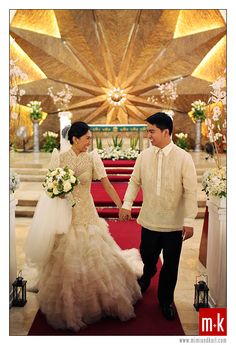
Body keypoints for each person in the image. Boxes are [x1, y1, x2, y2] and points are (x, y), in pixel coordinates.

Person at [24, 121, 142, 331]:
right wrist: (60, 191)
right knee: (65, 256)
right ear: (75, 138)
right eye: (87, 138)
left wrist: (122, 206)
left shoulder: (92, 159)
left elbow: (106, 184)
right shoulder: (59, 157)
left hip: (87, 213)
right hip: (66, 216)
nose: (89, 142)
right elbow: (50, 187)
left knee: (95, 253)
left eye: (90, 138)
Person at [119, 112, 198, 321]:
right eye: (148, 131)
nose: (148, 136)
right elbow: (134, 181)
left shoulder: (184, 158)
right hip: (150, 220)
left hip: (174, 225)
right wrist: (127, 204)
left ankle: (165, 300)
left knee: (171, 265)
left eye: (152, 131)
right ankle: (147, 274)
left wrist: (189, 221)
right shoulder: (144, 156)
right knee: (147, 255)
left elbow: (191, 191)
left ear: (166, 132)